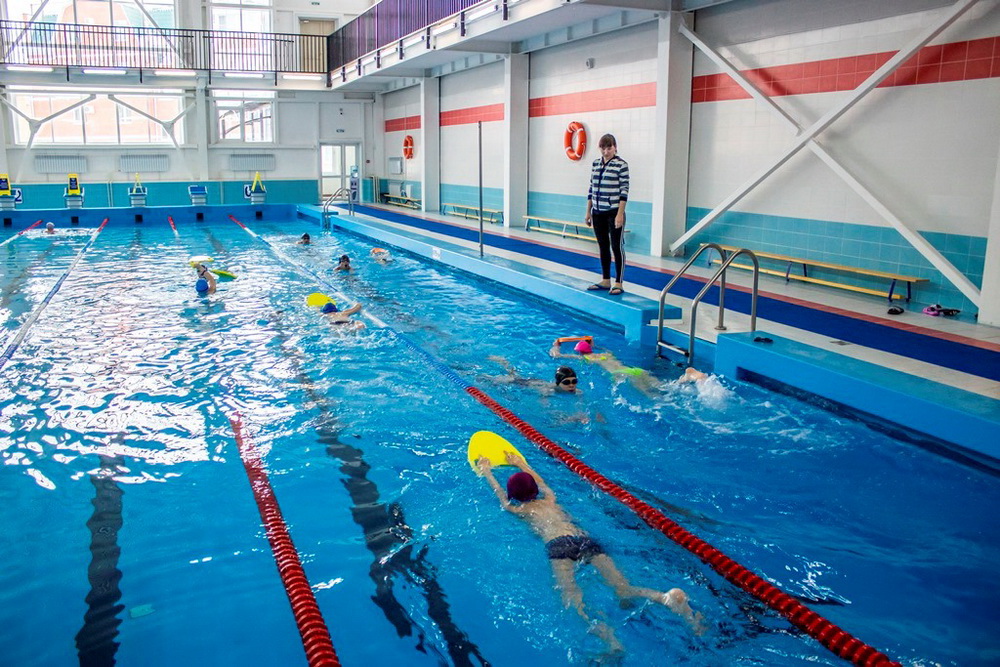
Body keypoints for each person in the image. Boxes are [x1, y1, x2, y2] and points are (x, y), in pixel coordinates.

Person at [477, 452, 702, 653]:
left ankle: (607, 637)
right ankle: (664, 598)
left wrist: (487, 471)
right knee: (623, 588)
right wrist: (520, 463)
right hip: (584, 539)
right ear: (535, 490)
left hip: (559, 545)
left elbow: (500, 495)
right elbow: (541, 480)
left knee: (571, 596)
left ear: (514, 496)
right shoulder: (550, 499)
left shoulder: (519, 509)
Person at [584, 134, 629, 296]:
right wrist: (588, 212)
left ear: (615, 147)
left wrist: (620, 214)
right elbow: (591, 188)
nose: (606, 151)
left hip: (613, 212)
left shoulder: (621, 165)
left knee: (616, 246)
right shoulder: (595, 164)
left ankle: (618, 282)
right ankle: (605, 280)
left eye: (609, 148)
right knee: (603, 246)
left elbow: (624, 191)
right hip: (597, 212)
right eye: (603, 148)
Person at [550, 338, 661, 397]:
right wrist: (593, 345)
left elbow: (556, 355)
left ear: (580, 352)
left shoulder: (586, 358)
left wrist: (556, 345)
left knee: (651, 395)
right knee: (661, 387)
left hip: (621, 374)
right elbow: (604, 349)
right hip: (635, 370)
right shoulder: (606, 354)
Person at [485, 355, 581, 396]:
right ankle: (486, 374)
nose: (571, 385)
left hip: (537, 381)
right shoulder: (550, 391)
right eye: (567, 382)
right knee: (509, 379)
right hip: (529, 384)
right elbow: (543, 401)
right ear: (558, 383)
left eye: (574, 381)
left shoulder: (577, 392)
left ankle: (504, 362)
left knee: (515, 375)